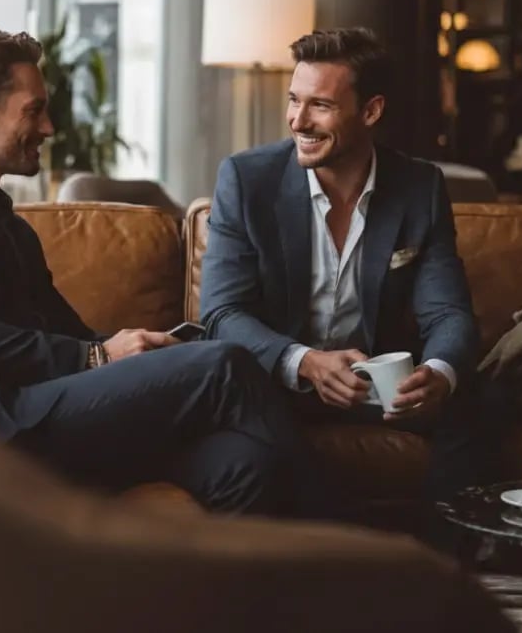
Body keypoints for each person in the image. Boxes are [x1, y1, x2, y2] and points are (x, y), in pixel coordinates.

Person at [0, 29, 309, 515]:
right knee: (225, 364)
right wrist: (94, 356)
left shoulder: (12, 227)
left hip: (56, 416)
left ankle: (223, 589)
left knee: (245, 461)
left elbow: (72, 335)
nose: (47, 127)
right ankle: (360, 562)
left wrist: (133, 347)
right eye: (33, 109)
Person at [198, 27, 492, 508]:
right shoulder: (247, 180)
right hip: (278, 387)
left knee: (484, 405)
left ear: (371, 111)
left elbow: (448, 312)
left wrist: (437, 373)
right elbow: (221, 313)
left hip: (376, 393)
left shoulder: (419, 187)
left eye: (321, 105)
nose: (298, 120)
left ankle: (440, 569)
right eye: (294, 100)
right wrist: (306, 362)